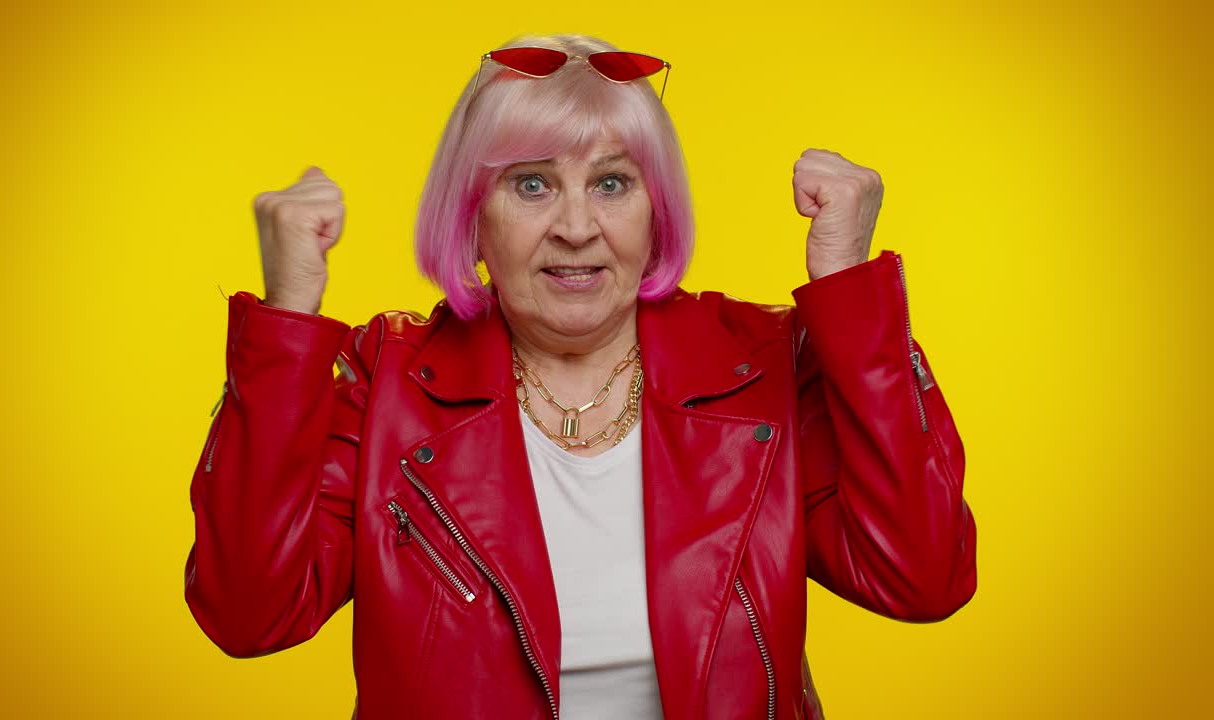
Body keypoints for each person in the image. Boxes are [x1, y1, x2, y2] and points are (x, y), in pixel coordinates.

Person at [184, 32, 977, 720]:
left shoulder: (765, 363)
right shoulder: (379, 376)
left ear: (654, 209)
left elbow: (920, 578)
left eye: (611, 182)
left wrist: (848, 285)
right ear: (472, 218)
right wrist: (288, 316)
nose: (575, 227)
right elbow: (250, 615)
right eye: (531, 183)